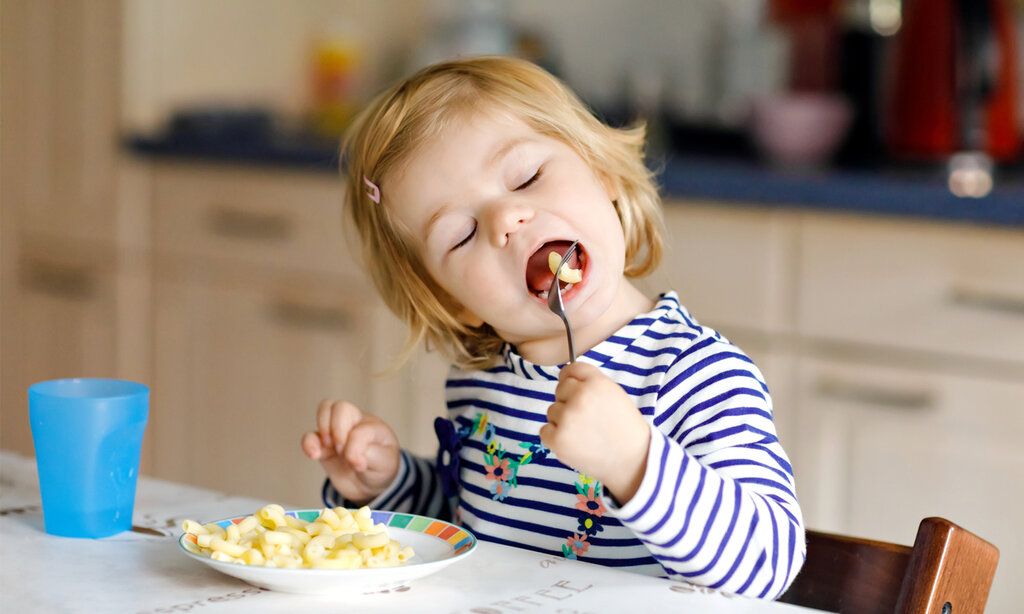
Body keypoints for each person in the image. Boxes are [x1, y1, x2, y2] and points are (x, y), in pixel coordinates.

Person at [300, 56, 805, 598]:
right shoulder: (481, 382)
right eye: (461, 234)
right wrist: (388, 485)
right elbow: (470, 527)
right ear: (455, 301)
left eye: (527, 177)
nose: (505, 221)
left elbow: (768, 565)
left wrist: (634, 460)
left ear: (602, 171)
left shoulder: (696, 374)